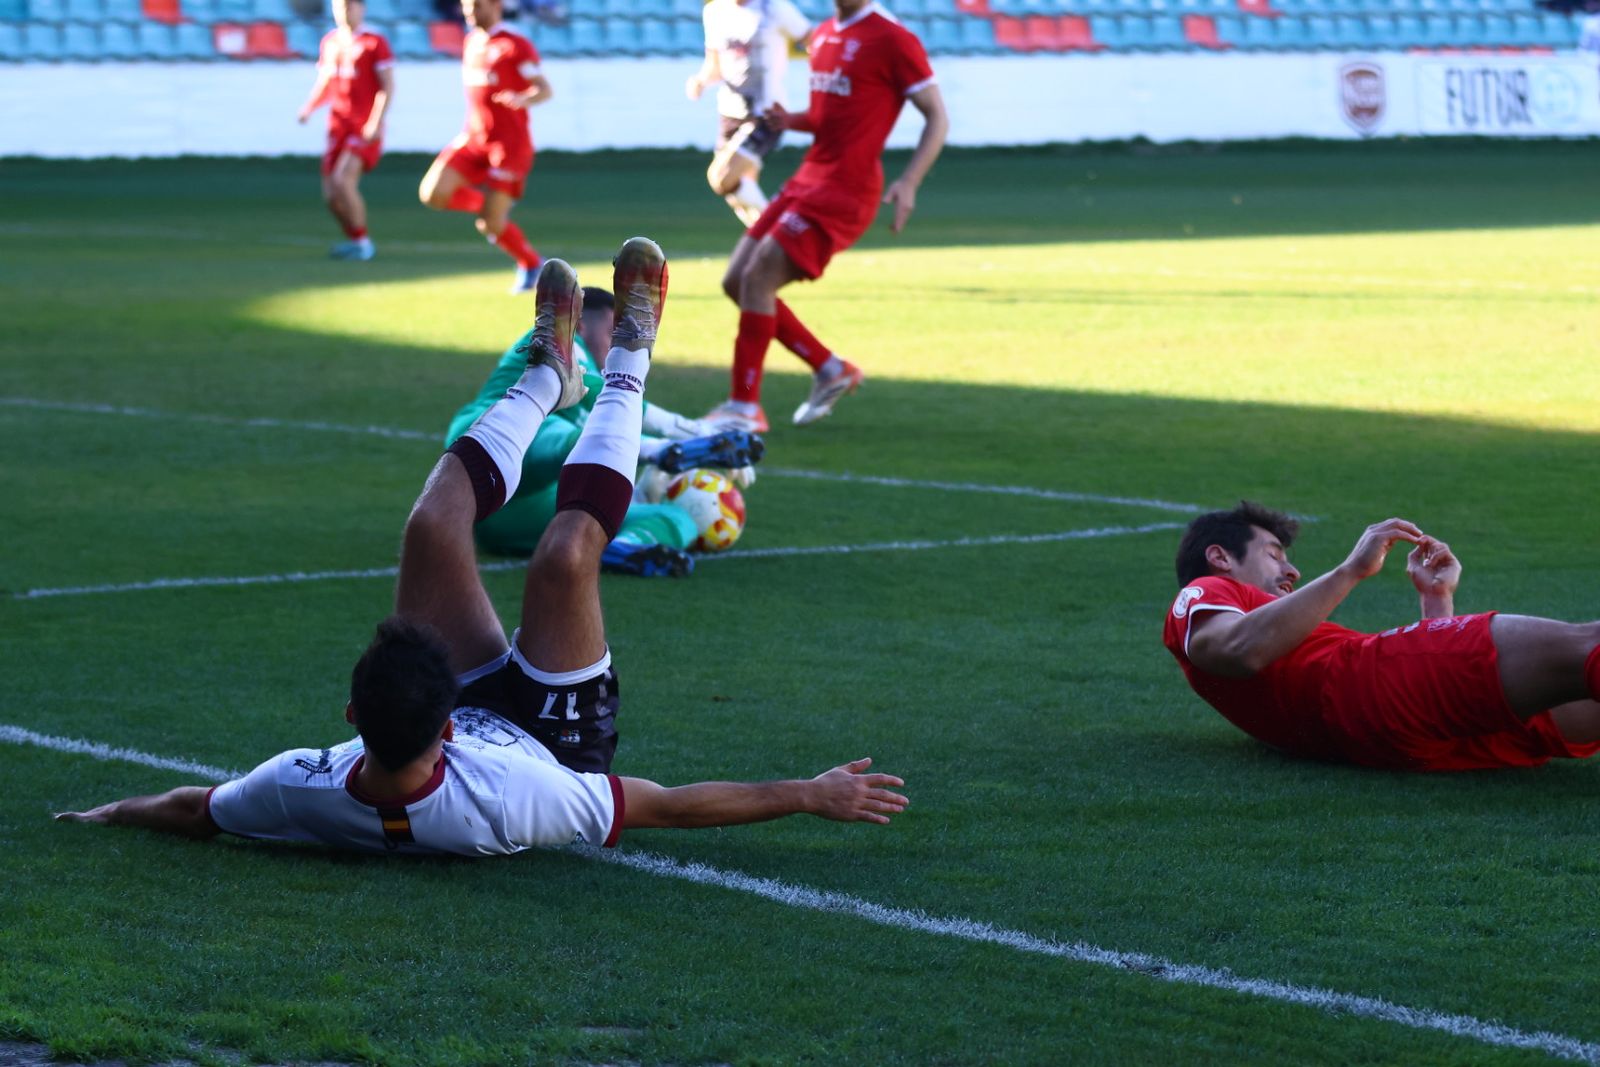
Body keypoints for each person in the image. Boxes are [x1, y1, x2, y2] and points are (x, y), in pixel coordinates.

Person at [55, 239, 908, 854]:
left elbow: (191, 807)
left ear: (351, 723)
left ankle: (546, 372)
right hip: (551, 738)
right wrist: (808, 793)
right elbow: (666, 807)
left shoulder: (299, 782)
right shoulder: (513, 799)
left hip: (448, 703)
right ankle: (630, 361)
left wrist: (102, 814)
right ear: (443, 738)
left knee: (430, 525)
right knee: (564, 556)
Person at [1162, 501, 1600, 772]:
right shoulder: (1207, 591)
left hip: (1401, 742)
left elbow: (1437, 691)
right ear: (1219, 557)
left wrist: (1436, 603)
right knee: (1588, 647)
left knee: (1583, 705)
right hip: (1369, 688)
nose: (1291, 571)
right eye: (1274, 554)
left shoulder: (1279, 646)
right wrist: (1350, 569)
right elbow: (1240, 650)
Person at [702, 0, 948, 433]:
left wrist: (909, 182)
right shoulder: (825, 34)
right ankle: (829, 368)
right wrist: (787, 120)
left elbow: (937, 116)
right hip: (811, 176)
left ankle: (744, 407)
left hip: (846, 188)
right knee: (735, 280)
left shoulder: (891, 38)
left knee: (758, 277)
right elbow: (826, 118)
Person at [445, 286, 764, 577]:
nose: (615, 347)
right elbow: (602, 394)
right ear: (580, 325)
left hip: (513, 517)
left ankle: (622, 548)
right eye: (613, 333)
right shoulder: (558, 338)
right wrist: (694, 432)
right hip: (486, 447)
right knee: (560, 434)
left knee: (677, 519)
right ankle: (661, 453)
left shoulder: (584, 379)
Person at [417, 0, 551, 294]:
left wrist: (524, 98)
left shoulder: (515, 44)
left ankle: (531, 264)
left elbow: (544, 88)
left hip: (509, 146)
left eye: (476, 5)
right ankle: (489, 206)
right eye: (465, 5)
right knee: (432, 194)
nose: (468, 11)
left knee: (489, 226)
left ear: (495, 5)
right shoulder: (472, 42)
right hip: (474, 138)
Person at [685, 0, 812, 228]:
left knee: (722, 176)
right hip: (729, 112)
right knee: (737, 194)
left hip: (766, 112)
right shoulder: (714, 12)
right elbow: (714, 66)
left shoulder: (773, 8)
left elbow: (812, 40)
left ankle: (781, 227)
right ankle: (769, 238)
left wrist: (826, 74)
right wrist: (701, 81)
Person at [296, 0, 394, 262]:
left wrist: (376, 121)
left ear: (361, 8)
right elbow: (326, 83)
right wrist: (309, 107)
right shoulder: (330, 42)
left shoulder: (374, 42)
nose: (344, 11)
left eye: (350, 6)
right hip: (338, 126)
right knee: (331, 195)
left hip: (363, 127)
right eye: (340, 6)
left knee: (343, 180)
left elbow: (387, 86)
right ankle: (355, 239)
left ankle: (364, 245)